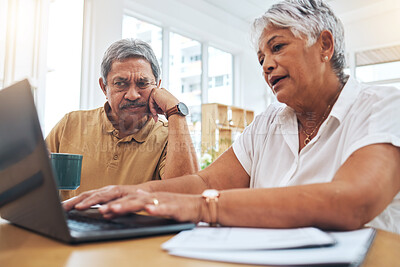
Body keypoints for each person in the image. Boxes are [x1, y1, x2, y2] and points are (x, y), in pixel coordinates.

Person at [63, 0, 400, 234]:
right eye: (260, 58)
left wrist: (205, 207)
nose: (266, 64)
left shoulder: (384, 105)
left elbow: (353, 201)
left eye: (277, 47)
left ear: (325, 45)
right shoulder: (268, 123)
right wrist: (130, 193)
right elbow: (205, 182)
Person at [46, 39, 198, 201]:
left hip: (137, 227)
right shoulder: (70, 123)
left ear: (158, 87)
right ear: (104, 87)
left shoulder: (170, 136)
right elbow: (32, 182)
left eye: (143, 83)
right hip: (72, 225)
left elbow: (187, 199)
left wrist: (175, 110)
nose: (132, 95)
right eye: (120, 83)